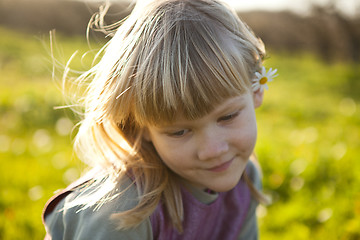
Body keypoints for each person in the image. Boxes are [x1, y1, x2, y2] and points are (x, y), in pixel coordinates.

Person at [42, 0, 277, 239]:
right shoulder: (122, 212)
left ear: (257, 90)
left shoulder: (244, 179)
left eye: (227, 117)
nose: (212, 150)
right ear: (140, 127)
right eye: (179, 132)